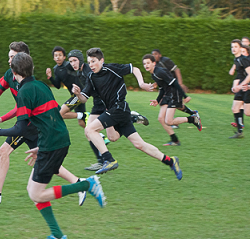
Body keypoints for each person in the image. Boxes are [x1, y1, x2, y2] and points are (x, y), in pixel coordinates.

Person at [0, 52, 106, 239]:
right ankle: (57, 236)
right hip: (54, 140)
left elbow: (21, 128)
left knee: (36, 194)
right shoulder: (40, 85)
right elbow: (50, 117)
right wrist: (41, 145)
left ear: (14, 73)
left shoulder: (24, 92)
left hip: (53, 143)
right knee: (33, 190)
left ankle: (86, 185)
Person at [0, 42, 82, 205]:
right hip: (27, 122)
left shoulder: (27, 84)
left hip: (28, 124)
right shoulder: (10, 75)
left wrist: (0, 123)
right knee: (44, 159)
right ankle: (79, 183)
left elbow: (20, 108)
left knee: (6, 152)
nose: (9, 60)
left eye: (12, 57)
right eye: (9, 57)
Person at [72, 48, 183, 180]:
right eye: (89, 62)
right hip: (114, 111)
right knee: (131, 142)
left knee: (89, 129)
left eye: (94, 61)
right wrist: (78, 93)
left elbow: (134, 69)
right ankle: (171, 161)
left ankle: (108, 160)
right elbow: (84, 98)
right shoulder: (91, 77)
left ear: (102, 60)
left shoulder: (112, 68)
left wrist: (141, 83)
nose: (91, 65)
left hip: (118, 107)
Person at [142, 54, 202, 146]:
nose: (146, 65)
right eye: (144, 64)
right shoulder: (153, 74)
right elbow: (162, 88)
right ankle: (176, 138)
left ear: (154, 63)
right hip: (168, 94)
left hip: (175, 93)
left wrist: (185, 96)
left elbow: (174, 82)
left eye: (148, 63)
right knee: (164, 119)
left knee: (169, 121)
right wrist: (157, 100)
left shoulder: (160, 72)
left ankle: (192, 119)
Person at [151, 49, 196, 128]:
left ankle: (182, 119)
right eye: (152, 54)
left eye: (155, 54)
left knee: (173, 104)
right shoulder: (156, 66)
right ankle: (191, 115)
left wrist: (180, 83)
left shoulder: (165, 61)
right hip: (167, 88)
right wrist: (156, 84)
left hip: (173, 86)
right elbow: (161, 78)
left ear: (160, 55)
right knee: (174, 104)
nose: (154, 56)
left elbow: (177, 70)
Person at [46, 46, 87, 128]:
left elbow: (80, 68)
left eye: (60, 55)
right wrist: (50, 77)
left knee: (61, 114)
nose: (58, 57)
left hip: (79, 94)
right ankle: (101, 137)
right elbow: (57, 86)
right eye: (56, 55)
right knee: (82, 123)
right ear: (53, 58)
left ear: (64, 57)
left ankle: (84, 115)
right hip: (73, 95)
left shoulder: (69, 65)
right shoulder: (56, 69)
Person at [229, 41, 250, 139]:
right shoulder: (236, 60)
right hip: (241, 87)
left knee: (247, 113)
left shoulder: (243, 59)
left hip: (246, 87)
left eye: (236, 47)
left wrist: (240, 86)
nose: (233, 49)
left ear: (240, 48)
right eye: (232, 47)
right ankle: (239, 132)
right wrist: (235, 86)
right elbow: (239, 75)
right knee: (235, 108)